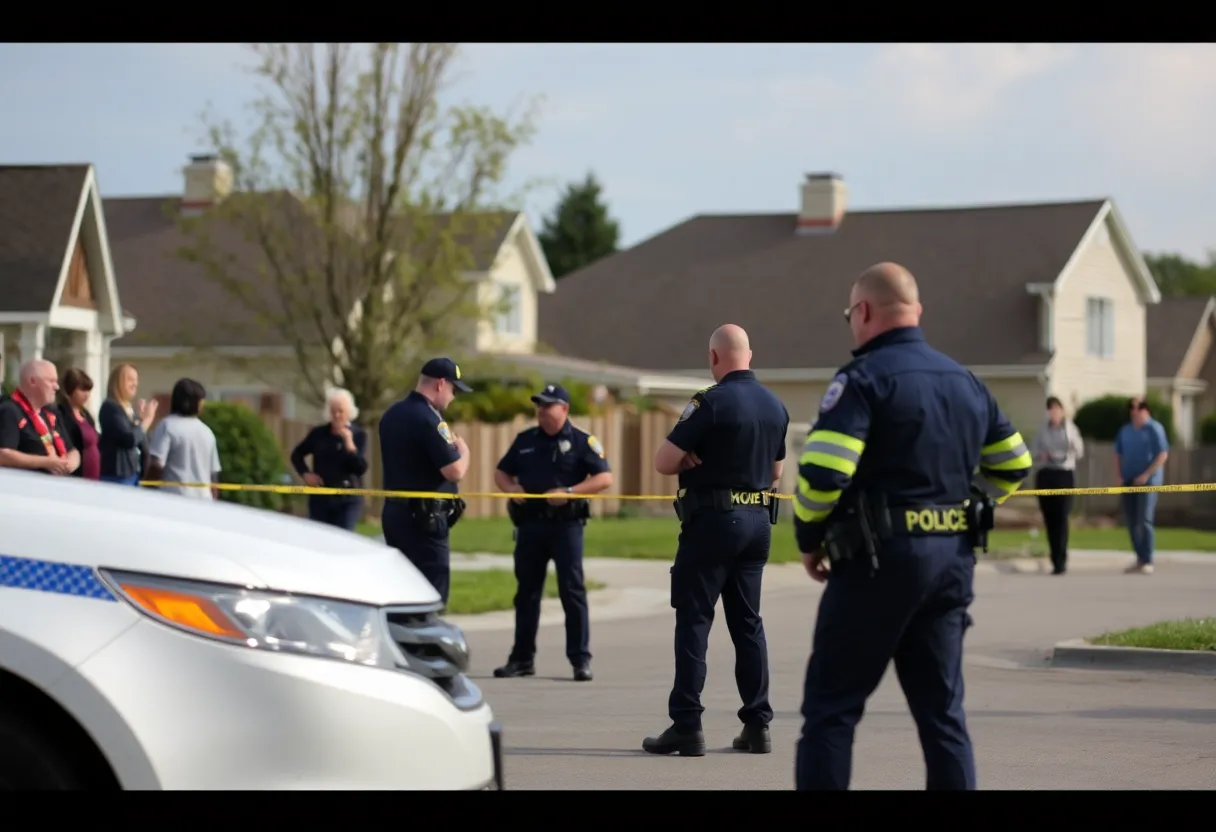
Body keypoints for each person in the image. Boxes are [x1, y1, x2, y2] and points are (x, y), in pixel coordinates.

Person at [793, 262, 1032, 791]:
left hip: (876, 563)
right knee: (943, 715)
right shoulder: (966, 382)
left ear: (863, 312)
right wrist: (966, 503)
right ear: (916, 311)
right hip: (950, 564)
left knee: (831, 712)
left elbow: (825, 472)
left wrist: (809, 538)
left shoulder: (861, 380)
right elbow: (1014, 464)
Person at [641, 324, 789, 758]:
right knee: (748, 625)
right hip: (758, 524)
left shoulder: (710, 401)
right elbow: (776, 472)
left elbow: (663, 461)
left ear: (713, 358)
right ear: (750, 355)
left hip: (712, 524)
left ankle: (687, 726)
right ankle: (757, 726)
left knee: (694, 621)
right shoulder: (775, 405)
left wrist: (692, 455)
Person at [491, 383, 615, 683]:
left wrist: (570, 492)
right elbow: (501, 472)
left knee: (572, 592)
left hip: (566, 526)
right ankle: (522, 659)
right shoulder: (525, 440)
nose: (541, 410)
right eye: (539, 405)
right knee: (526, 593)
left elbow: (604, 477)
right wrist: (511, 488)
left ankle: (580, 660)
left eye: (548, 405)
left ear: (564, 409)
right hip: (530, 525)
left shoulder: (582, 441)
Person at [378, 358, 472, 605]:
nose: (453, 398)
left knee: (400, 593)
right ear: (441, 384)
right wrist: (464, 452)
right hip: (424, 521)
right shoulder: (430, 419)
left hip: (396, 514)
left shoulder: (392, 414)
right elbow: (454, 471)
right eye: (453, 390)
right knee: (431, 597)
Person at [291, 388, 369, 531]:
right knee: (320, 538)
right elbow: (297, 455)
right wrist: (305, 474)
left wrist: (350, 445)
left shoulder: (358, 434)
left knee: (343, 538)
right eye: (333, 411)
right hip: (321, 498)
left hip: (347, 498)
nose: (336, 415)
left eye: (340, 411)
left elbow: (360, 468)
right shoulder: (318, 434)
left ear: (349, 412)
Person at [1114, 397, 1169, 576]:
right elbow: (1118, 453)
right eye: (1132, 407)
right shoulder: (1126, 430)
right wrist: (1119, 476)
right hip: (1128, 480)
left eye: (1139, 407)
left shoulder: (1154, 428)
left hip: (1148, 482)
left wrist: (1146, 475)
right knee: (1131, 521)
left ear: (1146, 410)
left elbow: (1162, 454)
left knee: (1144, 520)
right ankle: (1139, 557)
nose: (1135, 411)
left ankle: (1148, 559)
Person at [1031, 396, 1085, 575]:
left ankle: (1061, 560)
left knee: (1062, 518)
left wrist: (1069, 436)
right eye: (1050, 409)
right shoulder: (1042, 430)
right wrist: (1042, 455)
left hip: (1064, 474)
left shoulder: (1070, 429)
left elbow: (1079, 451)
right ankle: (1054, 558)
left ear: (1062, 411)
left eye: (1056, 409)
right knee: (1050, 518)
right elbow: (1033, 451)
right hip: (1046, 474)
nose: (1053, 412)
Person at [0, 358, 80, 476]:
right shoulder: (10, 410)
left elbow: (72, 450)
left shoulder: (50, 413)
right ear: (32, 381)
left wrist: (70, 462)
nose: (57, 387)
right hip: (27, 484)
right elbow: (3, 455)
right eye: (51, 381)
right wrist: (46, 462)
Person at [145, 378, 222, 500]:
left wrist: (145, 491)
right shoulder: (207, 432)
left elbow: (156, 466)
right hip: (204, 501)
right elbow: (213, 476)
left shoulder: (166, 425)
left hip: (173, 500)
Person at [98, 363, 156, 486]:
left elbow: (142, 441)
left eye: (136, 380)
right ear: (117, 382)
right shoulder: (110, 408)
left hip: (133, 474)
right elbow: (129, 439)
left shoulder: (128, 409)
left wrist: (139, 420)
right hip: (117, 477)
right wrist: (147, 420)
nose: (135, 384)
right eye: (130, 379)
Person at [53, 368, 100, 480]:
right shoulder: (61, 414)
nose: (87, 395)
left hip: (93, 471)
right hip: (77, 473)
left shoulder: (85, 414)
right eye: (82, 390)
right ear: (70, 390)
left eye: (88, 390)